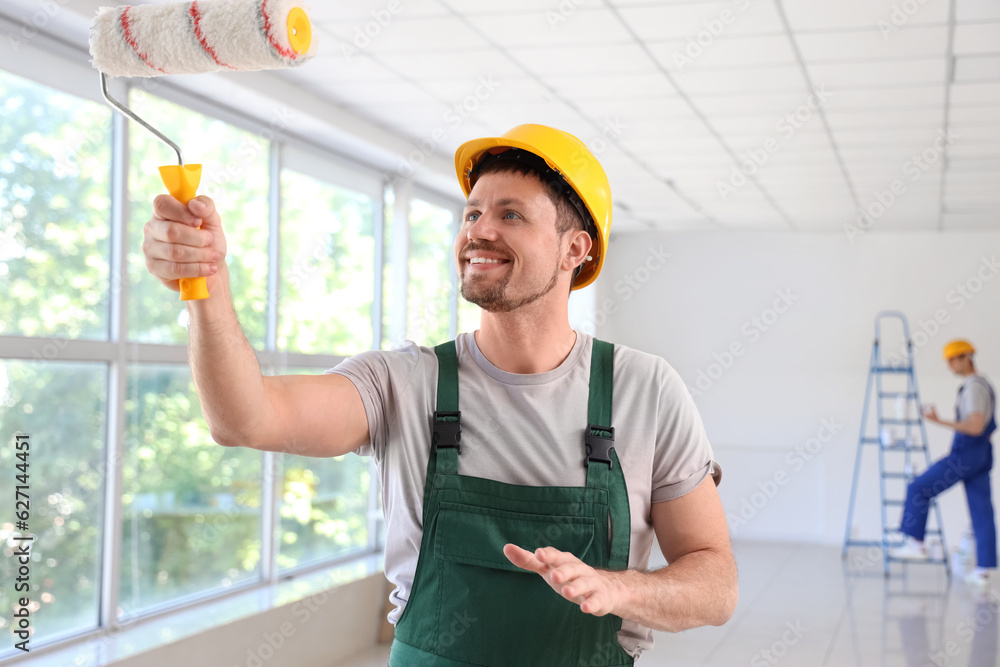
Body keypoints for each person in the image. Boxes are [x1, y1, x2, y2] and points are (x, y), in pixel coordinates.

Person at [140, 124, 738, 664]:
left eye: (511, 215)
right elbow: (247, 419)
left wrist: (619, 588)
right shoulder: (403, 382)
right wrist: (208, 289)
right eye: (472, 213)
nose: (479, 231)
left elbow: (716, 584)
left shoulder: (644, 389)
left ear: (574, 250)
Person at [891, 340, 997, 587]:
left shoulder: (973, 388)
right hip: (981, 454)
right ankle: (982, 570)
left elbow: (975, 426)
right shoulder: (984, 385)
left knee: (918, 487)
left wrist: (938, 421)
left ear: (966, 358)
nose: (949, 365)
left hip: (967, 453)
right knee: (981, 510)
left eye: (952, 360)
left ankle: (916, 544)